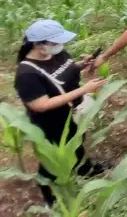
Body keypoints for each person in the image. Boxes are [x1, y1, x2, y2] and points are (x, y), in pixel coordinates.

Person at [14, 20, 107, 205]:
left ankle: (84, 168)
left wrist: (82, 64)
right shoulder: (27, 74)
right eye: (56, 42)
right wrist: (83, 90)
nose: (61, 46)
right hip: (51, 122)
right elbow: (41, 105)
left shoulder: (58, 54)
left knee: (77, 141)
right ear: (39, 45)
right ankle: (51, 198)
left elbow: (65, 71)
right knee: (52, 160)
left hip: (71, 112)